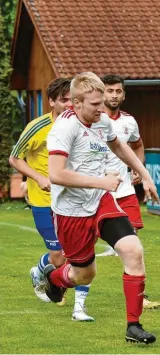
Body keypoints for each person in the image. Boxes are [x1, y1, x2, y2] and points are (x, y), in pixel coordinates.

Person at [45, 72, 159, 344]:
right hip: (71, 211)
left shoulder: (102, 120)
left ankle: (133, 326)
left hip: (101, 201)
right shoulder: (64, 128)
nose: (102, 108)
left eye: (102, 102)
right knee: (85, 274)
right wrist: (102, 181)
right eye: (95, 104)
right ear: (75, 102)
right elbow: (56, 174)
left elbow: (118, 145)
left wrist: (144, 174)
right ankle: (56, 279)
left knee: (133, 250)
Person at [9, 78, 94, 322]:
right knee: (58, 256)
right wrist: (38, 177)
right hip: (44, 201)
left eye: (72, 100)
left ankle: (78, 304)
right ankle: (40, 269)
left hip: (75, 201)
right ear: (52, 102)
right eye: (64, 100)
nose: (69, 104)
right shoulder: (37, 128)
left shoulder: (82, 126)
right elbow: (15, 159)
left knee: (78, 252)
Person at [95, 74, 160, 310]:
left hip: (124, 192)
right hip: (95, 193)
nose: (114, 95)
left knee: (135, 244)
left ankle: (139, 295)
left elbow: (138, 144)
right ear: (102, 93)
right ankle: (64, 282)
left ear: (124, 94)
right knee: (83, 245)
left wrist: (138, 169)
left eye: (118, 91)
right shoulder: (92, 120)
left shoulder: (129, 122)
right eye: (109, 91)